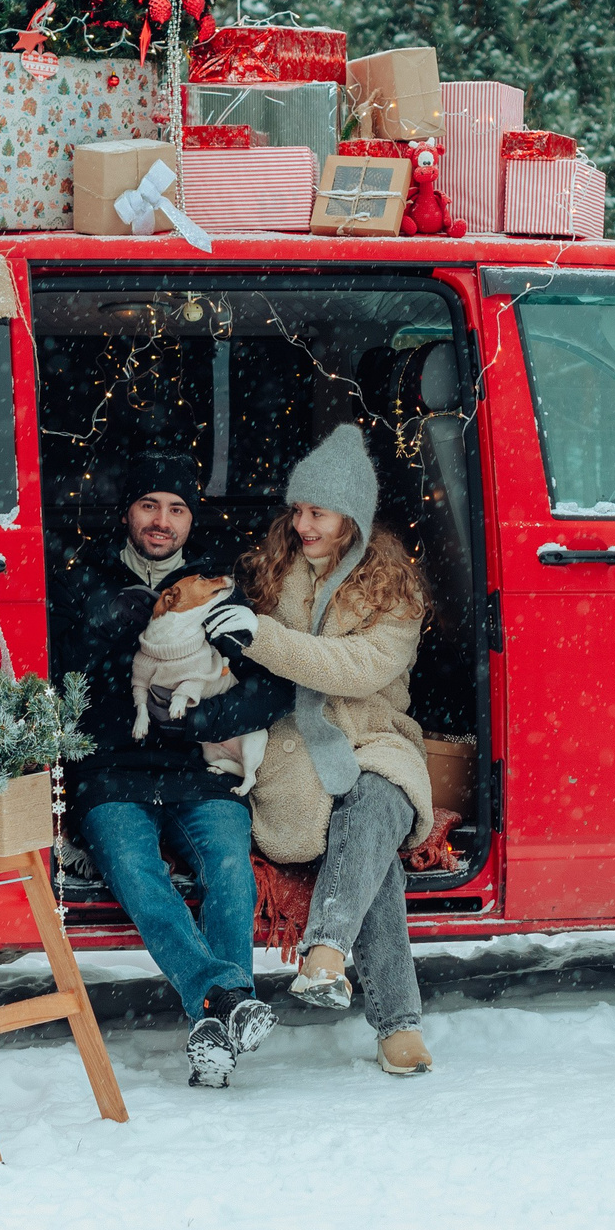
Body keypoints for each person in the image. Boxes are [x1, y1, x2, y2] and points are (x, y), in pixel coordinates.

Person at [203, 424, 439, 1077]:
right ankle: (394, 1018)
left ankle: (330, 955)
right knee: (371, 849)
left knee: (377, 796)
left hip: (377, 734)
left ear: (352, 519)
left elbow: (355, 667)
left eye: (319, 513)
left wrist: (264, 637)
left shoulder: (395, 590)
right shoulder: (272, 571)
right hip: (294, 742)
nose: (302, 524)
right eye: (299, 510)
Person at [54, 456, 291, 1089]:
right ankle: (226, 998)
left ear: (190, 520)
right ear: (128, 513)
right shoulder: (83, 578)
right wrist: (102, 635)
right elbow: (56, 678)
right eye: (149, 505)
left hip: (200, 766)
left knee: (230, 868)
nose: (162, 521)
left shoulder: (218, 588)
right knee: (136, 872)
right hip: (110, 771)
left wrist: (207, 719)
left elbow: (271, 687)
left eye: (177, 509)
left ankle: (217, 1017)